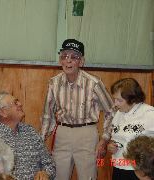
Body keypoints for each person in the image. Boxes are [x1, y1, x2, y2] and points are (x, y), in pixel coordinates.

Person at [41, 38, 114, 180]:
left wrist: (104, 139)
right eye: (64, 56)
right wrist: (41, 141)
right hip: (62, 133)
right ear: (60, 60)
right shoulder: (53, 83)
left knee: (88, 177)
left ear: (81, 62)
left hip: (86, 134)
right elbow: (47, 115)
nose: (68, 61)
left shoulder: (94, 83)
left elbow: (111, 112)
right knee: (57, 176)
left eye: (74, 57)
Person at [0, 91, 56, 180]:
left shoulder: (30, 131)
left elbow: (49, 164)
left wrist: (45, 173)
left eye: (18, 101)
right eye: (15, 103)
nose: (20, 104)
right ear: (3, 112)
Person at [107, 78, 154, 180]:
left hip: (139, 171)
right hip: (118, 166)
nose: (115, 104)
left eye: (119, 100)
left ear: (132, 99)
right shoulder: (119, 113)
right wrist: (111, 145)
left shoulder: (149, 113)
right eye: (114, 99)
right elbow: (116, 137)